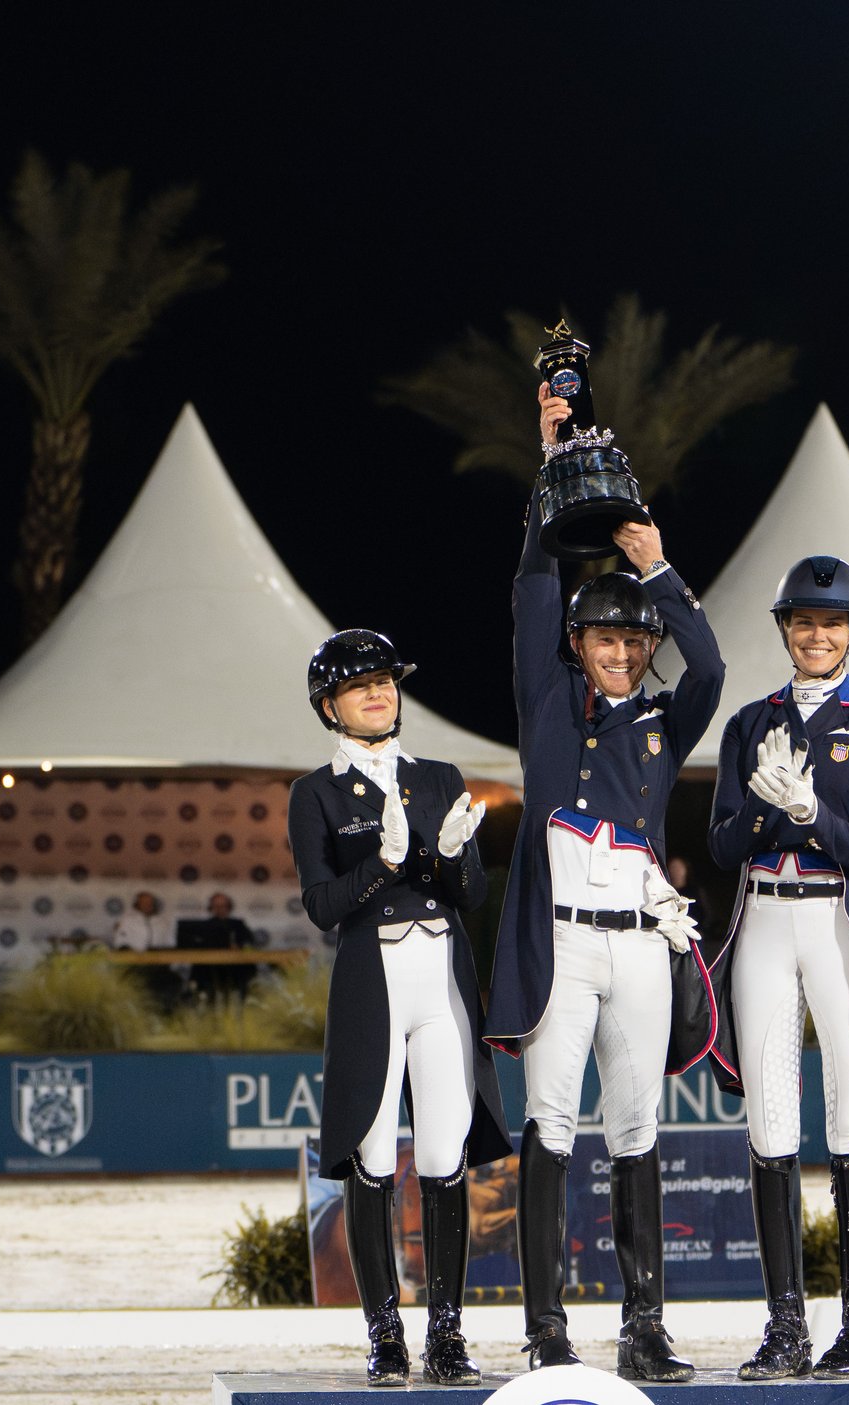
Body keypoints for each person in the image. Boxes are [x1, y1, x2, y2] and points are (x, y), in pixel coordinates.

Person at [483, 379, 724, 1380]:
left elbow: (707, 666)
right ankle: (545, 1325)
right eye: (606, 637)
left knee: (634, 1127)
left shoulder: (667, 722)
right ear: (577, 646)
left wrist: (656, 566)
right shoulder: (547, 703)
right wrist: (549, 468)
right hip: (563, 941)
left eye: (635, 639)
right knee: (547, 1126)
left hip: (637, 942)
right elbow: (533, 587)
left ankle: (643, 1322)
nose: (623, 651)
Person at [705, 555, 849, 1380]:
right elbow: (723, 844)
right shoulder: (748, 723)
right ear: (785, 629)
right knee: (769, 1117)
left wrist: (807, 810)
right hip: (763, 914)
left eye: (832, 623)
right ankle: (785, 1325)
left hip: (836, 918)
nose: (817, 634)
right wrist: (765, 806)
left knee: (847, 1114)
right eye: (803, 621)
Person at [288, 629, 512, 1387]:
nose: (379, 693)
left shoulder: (440, 775)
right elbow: (321, 905)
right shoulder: (314, 792)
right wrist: (381, 864)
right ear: (331, 705)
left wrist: (448, 859)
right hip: (372, 974)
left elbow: (474, 893)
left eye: (385, 681)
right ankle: (385, 1332)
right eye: (361, 685)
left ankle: (446, 1333)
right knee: (375, 1158)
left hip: (442, 973)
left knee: (446, 1156)